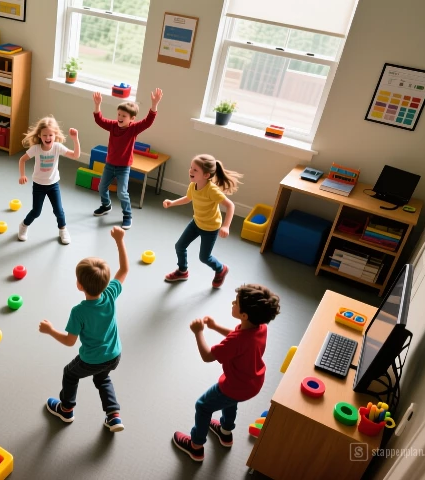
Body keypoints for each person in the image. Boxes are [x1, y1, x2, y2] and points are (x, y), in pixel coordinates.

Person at [172, 284, 280, 462]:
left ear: (244, 315)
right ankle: (225, 432)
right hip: (253, 382)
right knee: (231, 402)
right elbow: (237, 338)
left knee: (203, 406)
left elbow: (207, 356)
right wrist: (215, 327)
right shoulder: (260, 328)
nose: (232, 302)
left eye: (235, 302)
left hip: (234, 385)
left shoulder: (238, 340)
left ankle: (196, 446)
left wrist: (198, 333)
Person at [40, 226, 129, 433]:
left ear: (79, 285)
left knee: (70, 374)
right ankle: (113, 415)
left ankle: (66, 409)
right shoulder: (110, 294)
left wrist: (50, 330)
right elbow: (124, 270)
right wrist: (119, 240)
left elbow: (70, 341)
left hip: (91, 359)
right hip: (114, 355)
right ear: (106, 282)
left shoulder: (79, 311)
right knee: (102, 378)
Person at [162, 154, 243, 288]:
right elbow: (188, 198)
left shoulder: (212, 190)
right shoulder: (193, 185)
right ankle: (182, 271)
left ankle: (221, 269)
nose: (190, 171)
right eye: (191, 168)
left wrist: (226, 226)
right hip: (196, 223)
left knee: (204, 257)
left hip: (210, 228)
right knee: (179, 246)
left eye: (195, 170)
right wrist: (172, 203)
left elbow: (230, 206)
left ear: (206, 175)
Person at [91, 88, 163, 230]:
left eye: (124, 115)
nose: (120, 117)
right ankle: (106, 205)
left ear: (131, 119)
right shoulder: (113, 126)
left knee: (122, 192)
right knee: (102, 187)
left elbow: (148, 122)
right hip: (110, 164)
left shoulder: (133, 129)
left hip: (123, 167)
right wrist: (97, 105)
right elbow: (99, 120)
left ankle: (127, 215)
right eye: (119, 114)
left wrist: (154, 105)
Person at [16, 116, 81, 245]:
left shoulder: (57, 147)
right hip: (38, 185)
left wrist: (75, 140)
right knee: (36, 211)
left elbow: (75, 155)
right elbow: (22, 160)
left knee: (59, 210)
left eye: (50, 135)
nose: (47, 138)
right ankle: (23, 226)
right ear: (39, 135)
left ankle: (63, 229)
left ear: (55, 134)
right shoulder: (36, 149)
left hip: (53, 185)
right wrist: (22, 175)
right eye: (44, 135)